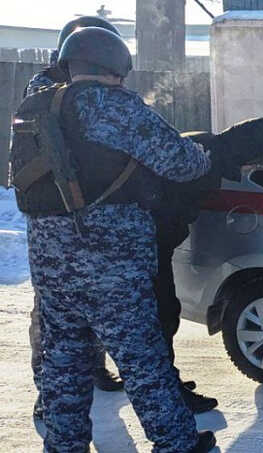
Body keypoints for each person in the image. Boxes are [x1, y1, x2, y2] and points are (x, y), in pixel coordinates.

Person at [10, 27, 217, 452]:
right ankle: (177, 444)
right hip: (111, 264)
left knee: (63, 360)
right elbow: (181, 162)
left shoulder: (34, 107)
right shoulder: (114, 106)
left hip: (50, 263)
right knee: (143, 360)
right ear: (114, 67)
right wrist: (204, 156)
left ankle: (64, 445)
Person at [23, 16, 126, 422]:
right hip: (54, 219)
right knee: (49, 317)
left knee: (86, 307)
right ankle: (46, 391)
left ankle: (95, 367)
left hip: (88, 213)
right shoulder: (46, 89)